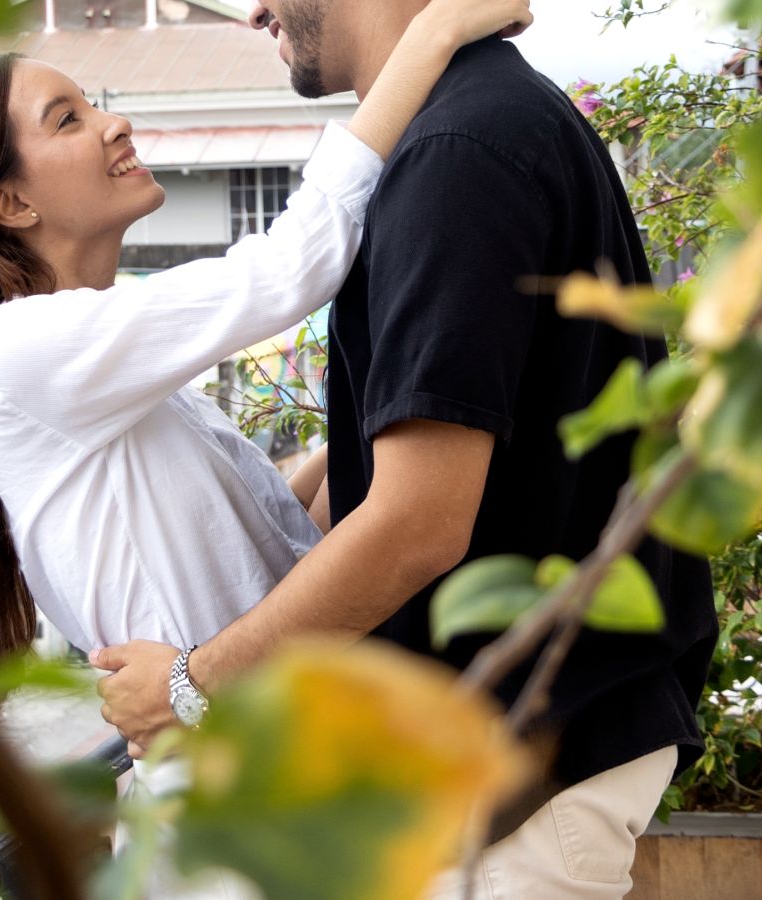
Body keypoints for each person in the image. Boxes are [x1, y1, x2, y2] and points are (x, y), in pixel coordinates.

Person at [92, 1, 719, 896]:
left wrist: (193, 686)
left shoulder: (456, 153)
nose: (258, 8)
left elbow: (417, 520)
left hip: (513, 800)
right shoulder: (482, 122)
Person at [0, 0, 532, 665]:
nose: (115, 124)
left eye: (93, 105)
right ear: (11, 203)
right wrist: (432, 32)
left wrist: (406, 430)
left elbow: (265, 537)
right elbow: (287, 269)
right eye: (69, 120)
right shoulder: (18, 349)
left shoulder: (116, 378)